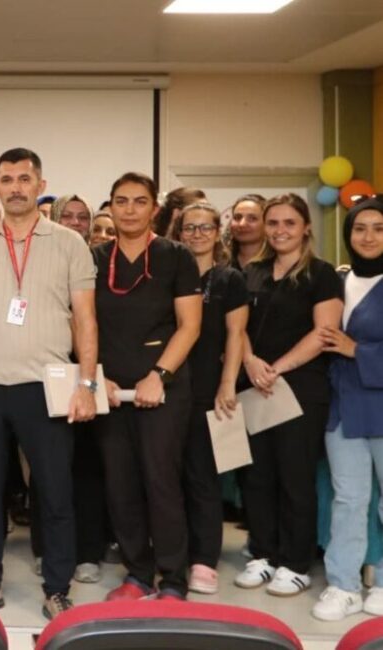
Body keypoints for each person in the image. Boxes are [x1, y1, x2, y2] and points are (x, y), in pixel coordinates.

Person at [0, 149, 97, 617]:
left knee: (54, 492)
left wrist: (87, 385)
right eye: (6, 179)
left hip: (47, 385)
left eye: (23, 178)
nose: (15, 187)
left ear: (39, 184)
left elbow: (85, 319)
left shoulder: (70, 243)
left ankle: (56, 587)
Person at [94, 172, 202, 601]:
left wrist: (158, 376)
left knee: (161, 483)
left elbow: (190, 326)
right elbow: (79, 322)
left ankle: (173, 578)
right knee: (120, 485)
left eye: (140, 201)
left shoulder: (176, 256)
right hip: (109, 389)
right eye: (121, 201)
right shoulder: (95, 257)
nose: (130, 210)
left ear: (154, 208)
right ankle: (138, 573)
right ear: (112, 206)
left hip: (163, 389)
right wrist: (92, 373)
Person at [235, 194, 342, 597]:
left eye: (290, 223)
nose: (281, 230)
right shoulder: (253, 272)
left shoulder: (322, 274)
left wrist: (277, 368)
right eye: (274, 222)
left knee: (295, 478)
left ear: (305, 227)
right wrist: (249, 362)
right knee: (257, 477)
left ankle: (296, 563)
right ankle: (262, 555)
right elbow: (237, 327)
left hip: (300, 389)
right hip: (255, 385)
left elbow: (324, 333)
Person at [170, 202, 249, 595]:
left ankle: (203, 561)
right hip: (168, 387)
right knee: (167, 476)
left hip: (208, 387)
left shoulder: (230, 279)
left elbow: (236, 335)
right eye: (189, 228)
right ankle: (172, 552)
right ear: (179, 232)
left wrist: (227, 383)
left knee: (202, 477)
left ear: (218, 233)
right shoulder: (168, 272)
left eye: (205, 228)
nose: (197, 234)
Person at [312, 197, 383, 621]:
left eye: (378, 227)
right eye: (360, 228)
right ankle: (343, 584)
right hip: (342, 408)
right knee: (349, 498)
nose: (369, 236)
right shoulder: (335, 282)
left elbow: (348, 345)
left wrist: (357, 349)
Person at [229, 194, 266, 270]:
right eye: (237, 218)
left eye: (252, 218)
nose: (242, 224)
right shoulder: (219, 263)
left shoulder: (278, 263)